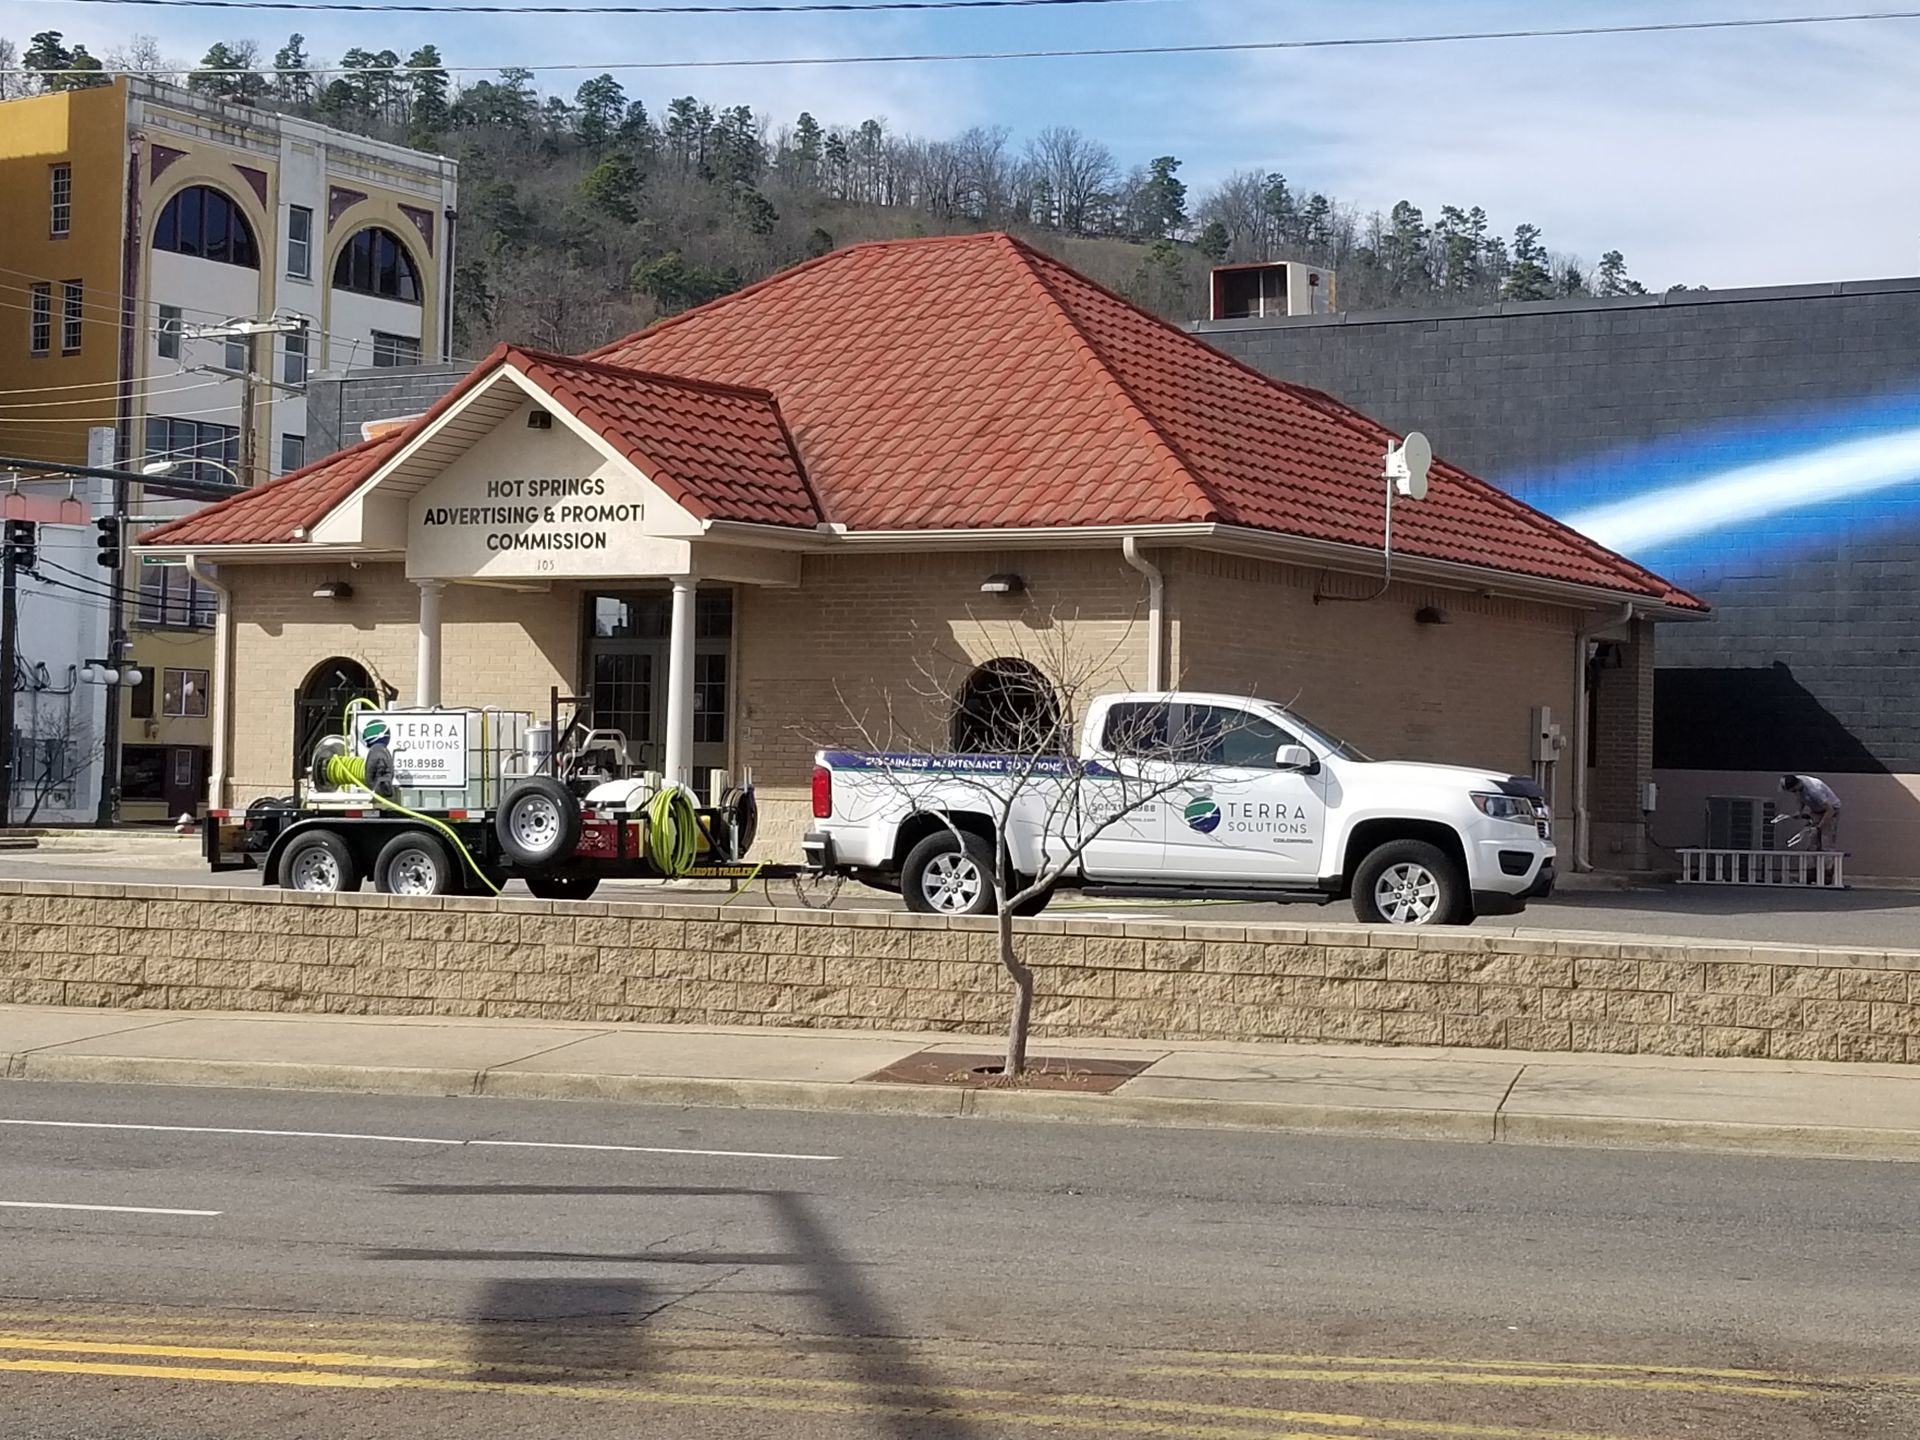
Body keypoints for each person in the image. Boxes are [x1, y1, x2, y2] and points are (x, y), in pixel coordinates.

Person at [1780, 774, 1841, 851]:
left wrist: (1818, 827)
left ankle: (1827, 861)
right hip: (1817, 809)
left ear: (1797, 785)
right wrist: (1799, 811)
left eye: (1794, 790)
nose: (1794, 792)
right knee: (1813, 842)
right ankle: (1813, 861)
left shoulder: (1814, 791)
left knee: (1826, 841)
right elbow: (1800, 796)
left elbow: (1830, 810)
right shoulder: (1798, 780)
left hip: (1831, 810)